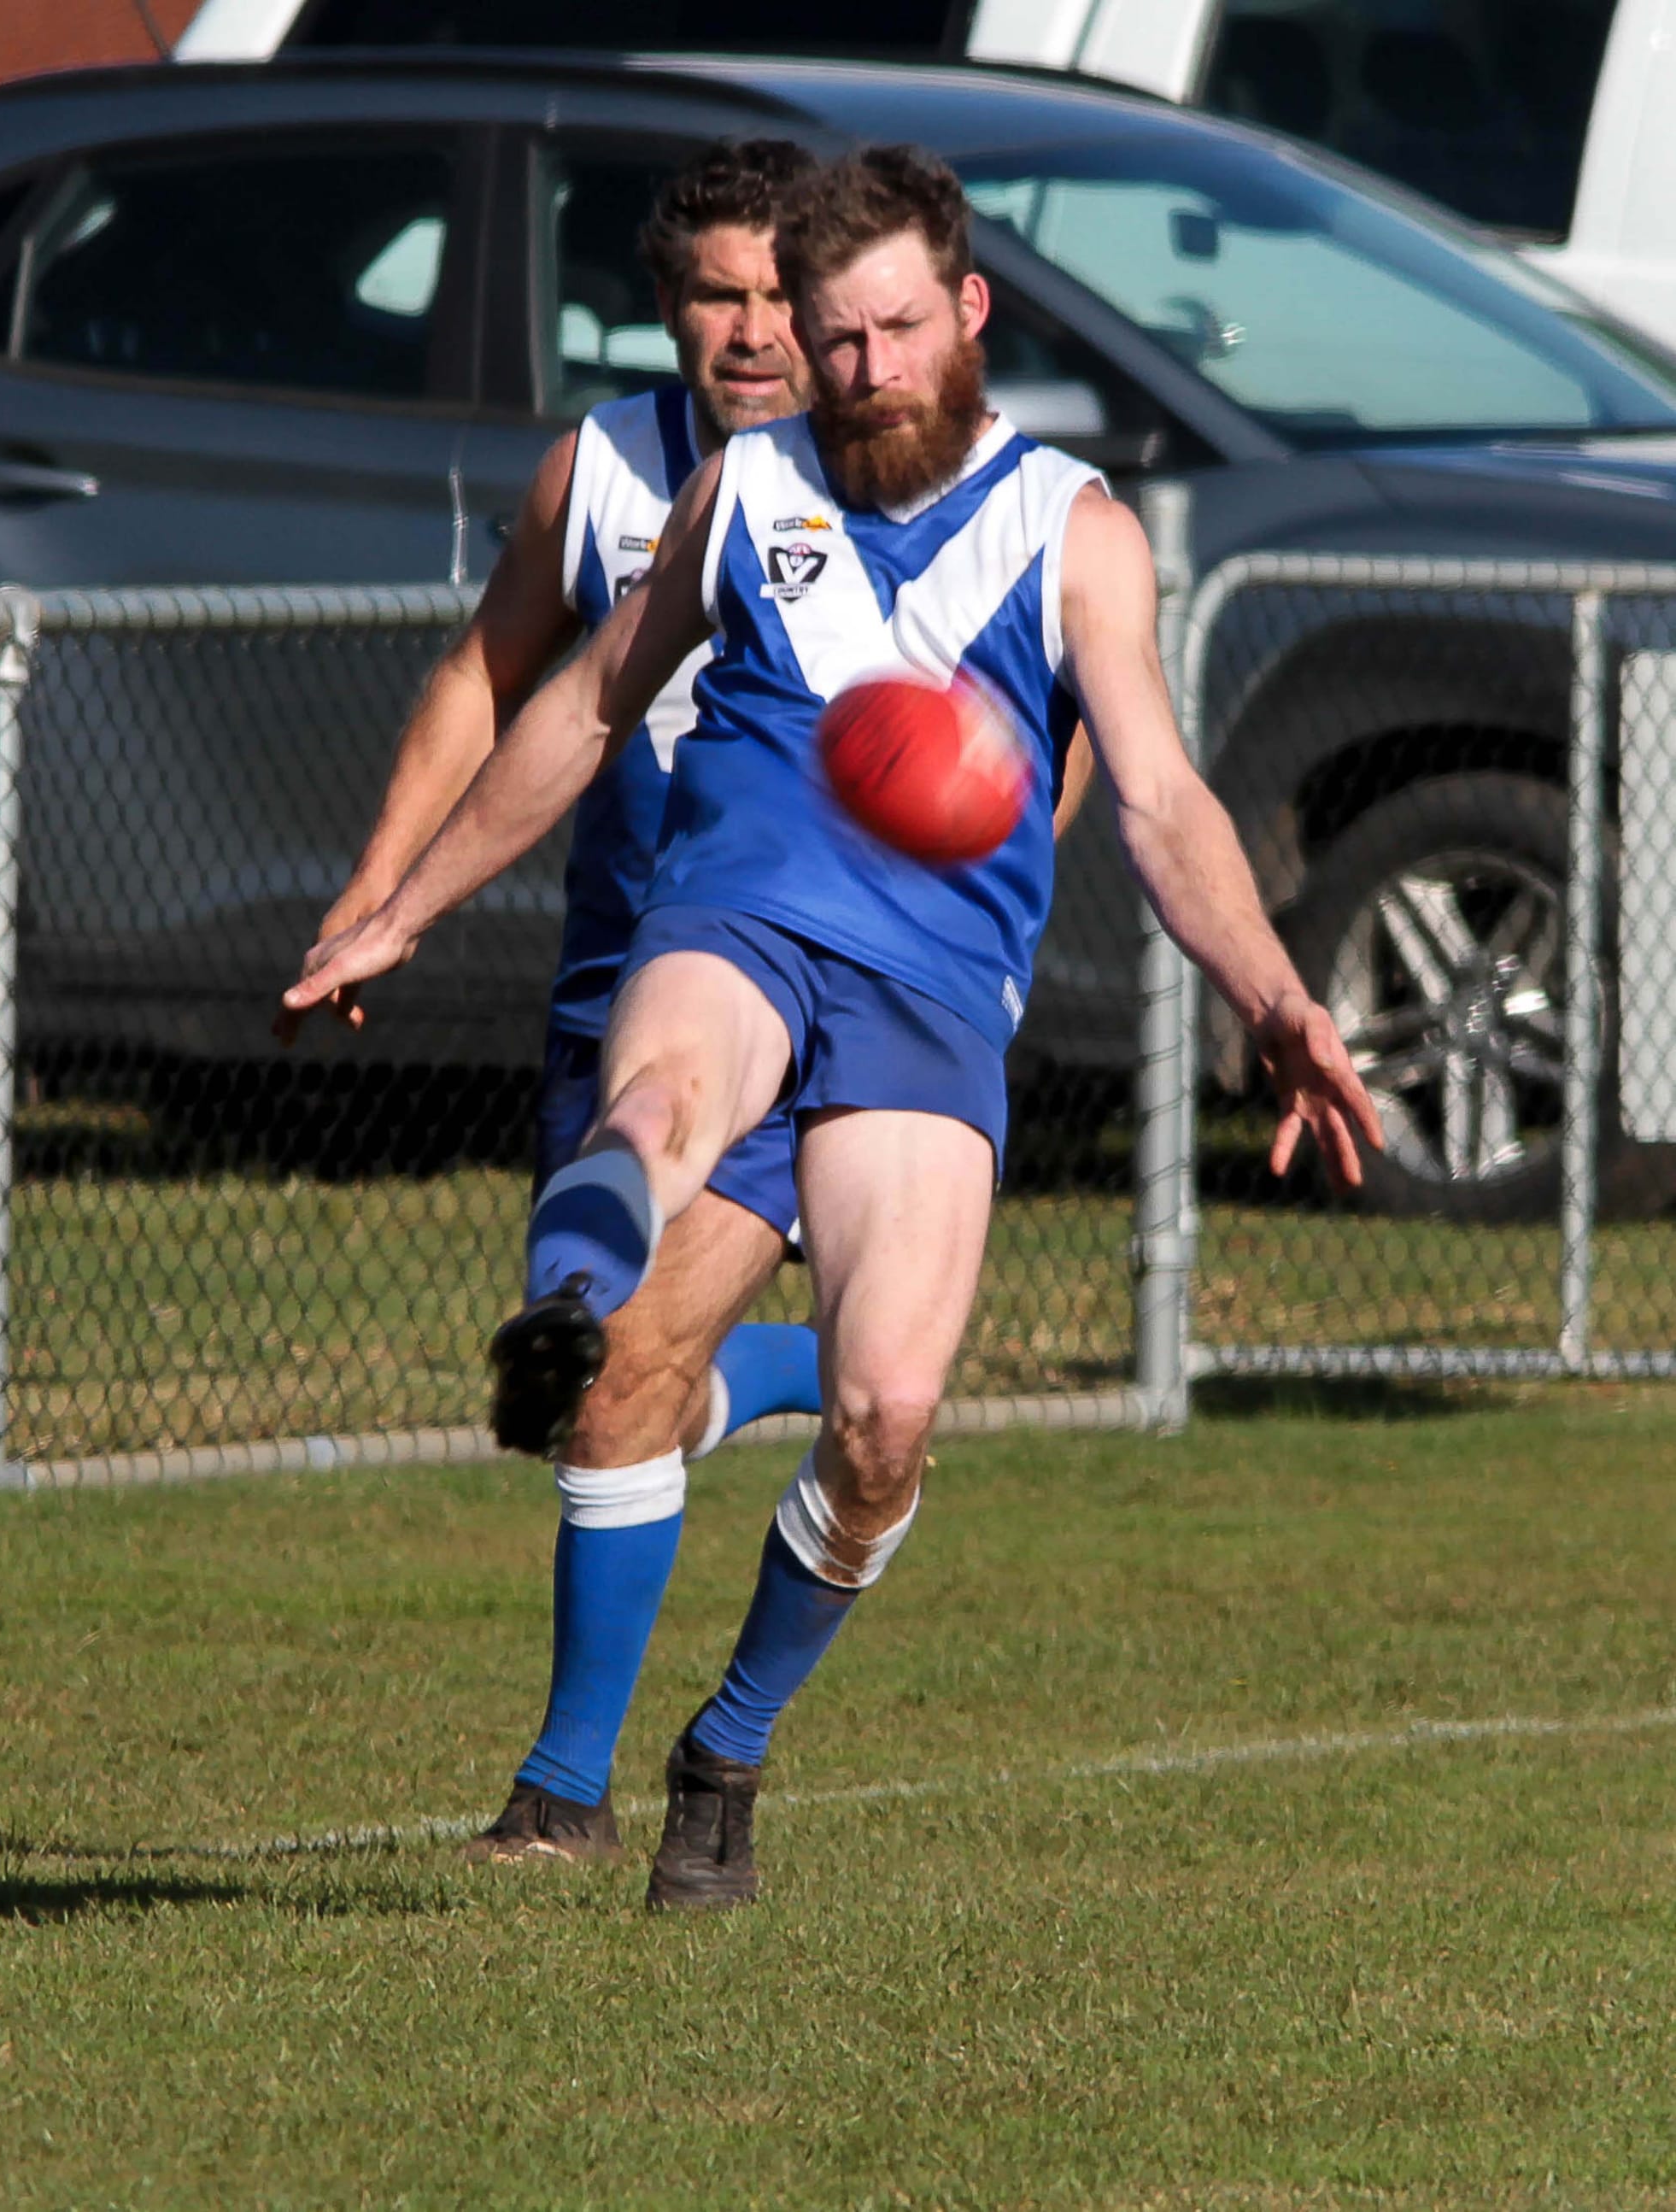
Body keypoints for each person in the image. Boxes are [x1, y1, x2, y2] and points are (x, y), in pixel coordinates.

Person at [284, 144, 1383, 1912]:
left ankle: (723, 1750)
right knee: (653, 1099)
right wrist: (399, 907)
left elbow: (1165, 806)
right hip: (734, 919)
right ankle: (571, 1308)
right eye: (832, 334)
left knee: (884, 1411)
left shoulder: (1072, 532)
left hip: (933, 993)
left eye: (892, 329)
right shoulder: (743, 492)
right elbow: (578, 704)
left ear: (965, 314)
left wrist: (1274, 996)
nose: (860, 366)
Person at [278, 140, 832, 1481]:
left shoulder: (884, 480)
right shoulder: (596, 474)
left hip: (808, 982)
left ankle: (855, 1374)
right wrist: (380, 886)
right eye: (717, 298)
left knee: (622, 1383)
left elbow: (1032, 733)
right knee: (608, 1405)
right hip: (616, 980)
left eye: (778, 297)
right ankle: (806, 1364)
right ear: (667, 311)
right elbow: (486, 674)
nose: (752, 334)